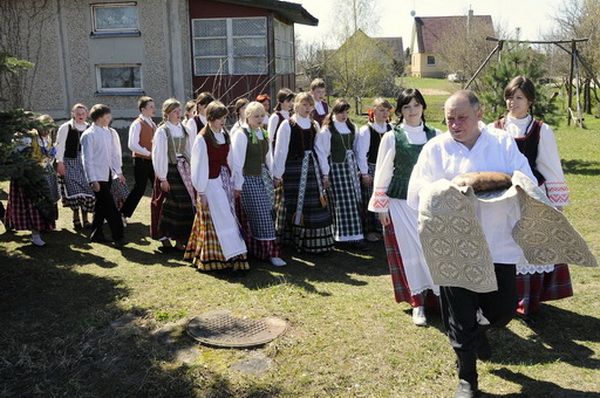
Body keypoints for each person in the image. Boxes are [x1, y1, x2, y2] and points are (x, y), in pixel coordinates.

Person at [407, 90, 535, 398]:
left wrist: (499, 180)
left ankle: (480, 332)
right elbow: (416, 191)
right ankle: (467, 378)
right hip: (454, 246)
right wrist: (447, 189)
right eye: (450, 119)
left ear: (479, 114)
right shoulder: (435, 149)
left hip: (496, 242)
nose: (454, 124)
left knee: (503, 310)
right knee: (460, 316)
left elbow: (526, 177)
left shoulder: (502, 143)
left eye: (461, 117)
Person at [489, 75, 573, 318]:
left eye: (518, 98)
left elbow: (550, 166)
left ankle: (527, 300)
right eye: (509, 97)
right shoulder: (494, 129)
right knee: (503, 245)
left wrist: (557, 204)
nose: (512, 102)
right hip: (502, 195)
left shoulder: (540, 130)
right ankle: (502, 298)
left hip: (532, 194)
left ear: (530, 101)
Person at [368, 89, 440, 326]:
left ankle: (441, 299)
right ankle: (417, 302)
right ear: (399, 111)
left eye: (416, 105)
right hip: (400, 204)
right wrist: (381, 207)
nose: (412, 111)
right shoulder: (392, 137)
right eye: (407, 107)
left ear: (423, 107)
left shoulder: (436, 136)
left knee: (433, 252)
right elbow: (383, 171)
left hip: (427, 203)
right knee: (411, 253)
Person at [185, 101, 249, 271]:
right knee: (218, 219)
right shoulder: (202, 139)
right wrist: (202, 191)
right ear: (211, 118)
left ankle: (233, 255)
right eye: (219, 118)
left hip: (224, 182)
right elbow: (198, 167)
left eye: (224, 118)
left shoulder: (225, 135)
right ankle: (216, 258)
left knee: (229, 218)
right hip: (210, 184)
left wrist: (236, 182)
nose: (222, 121)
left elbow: (232, 160)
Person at [272, 92, 334, 254]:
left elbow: (320, 150)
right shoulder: (287, 125)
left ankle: (313, 244)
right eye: (304, 105)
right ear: (296, 105)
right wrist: (277, 174)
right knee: (292, 204)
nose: (308, 108)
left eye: (310, 105)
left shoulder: (314, 125)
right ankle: (293, 241)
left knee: (314, 202)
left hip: (311, 169)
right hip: (293, 170)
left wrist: (325, 172)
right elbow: (281, 151)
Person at [231, 101, 286, 266]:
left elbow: (268, 157)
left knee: (269, 212)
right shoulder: (241, 134)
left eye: (262, 115)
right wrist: (238, 185)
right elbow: (237, 162)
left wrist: (275, 175)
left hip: (263, 177)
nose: (260, 119)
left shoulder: (263, 133)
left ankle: (263, 251)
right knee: (260, 214)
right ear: (247, 116)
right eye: (256, 116)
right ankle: (268, 252)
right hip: (248, 178)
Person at [315, 99, 366, 249]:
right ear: (334, 112)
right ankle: (342, 236)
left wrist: (361, 169)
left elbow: (357, 149)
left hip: (351, 168)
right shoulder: (327, 130)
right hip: (337, 169)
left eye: (346, 112)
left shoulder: (352, 127)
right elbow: (322, 153)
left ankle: (356, 235)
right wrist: (325, 174)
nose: (344, 115)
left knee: (354, 200)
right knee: (342, 202)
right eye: (341, 112)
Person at [5, 115, 58, 246]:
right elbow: (18, 158)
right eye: (44, 128)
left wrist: (50, 156)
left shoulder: (48, 139)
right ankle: (35, 235)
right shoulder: (28, 138)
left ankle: (43, 227)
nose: (46, 131)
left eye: (49, 129)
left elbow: (48, 158)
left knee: (45, 203)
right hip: (28, 177)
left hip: (44, 174)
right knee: (32, 206)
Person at [151, 98, 196, 252]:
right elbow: (158, 155)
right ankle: (164, 239)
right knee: (169, 205)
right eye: (175, 112)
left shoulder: (184, 129)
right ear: (167, 113)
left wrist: (193, 168)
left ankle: (180, 240)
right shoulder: (162, 131)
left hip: (183, 169)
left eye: (179, 111)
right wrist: (162, 178)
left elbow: (188, 151)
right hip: (169, 170)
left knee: (186, 204)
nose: (178, 114)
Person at [80, 104, 126, 247]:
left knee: (101, 206)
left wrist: (118, 172)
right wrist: (93, 180)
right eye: (107, 116)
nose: (110, 118)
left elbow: (113, 154)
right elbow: (87, 160)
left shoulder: (108, 133)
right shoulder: (89, 135)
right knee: (110, 207)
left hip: (107, 175)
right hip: (97, 176)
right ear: (100, 118)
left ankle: (96, 233)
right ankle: (118, 236)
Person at [355, 98, 394, 242]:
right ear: (373, 111)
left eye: (386, 110)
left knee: (387, 199)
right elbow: (361, 154)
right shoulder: (367, 130)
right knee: (370, 200)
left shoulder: (391, 129)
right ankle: (370, 231)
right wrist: (364, 173)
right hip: (371, 169)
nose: (384, 113)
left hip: (388, 169)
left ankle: (383, 229)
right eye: (381, 110)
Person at [55, 103, 95, 229]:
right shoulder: (66, 127)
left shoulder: (89, 128)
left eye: (83, 113)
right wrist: (59, 162)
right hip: (69, 161)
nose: (80, 116)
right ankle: (76, 217)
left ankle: (85, 218)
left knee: (86, 189)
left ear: (87, 114)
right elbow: (59, 146)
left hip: (84, 162)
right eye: (78, 113)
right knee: (74, 190)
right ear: (73, 114)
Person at [120, 96, 157, 222]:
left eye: (153, 106)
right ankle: (123, 213)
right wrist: (147, 153)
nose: (153, 109)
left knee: (158, 186)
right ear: (143, 109)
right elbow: (132, 144)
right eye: (150, 107)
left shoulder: (152, 123)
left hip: (152, 161)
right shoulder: (137, 123)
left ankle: (160, 214)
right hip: (141, 160)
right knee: (140, 188)